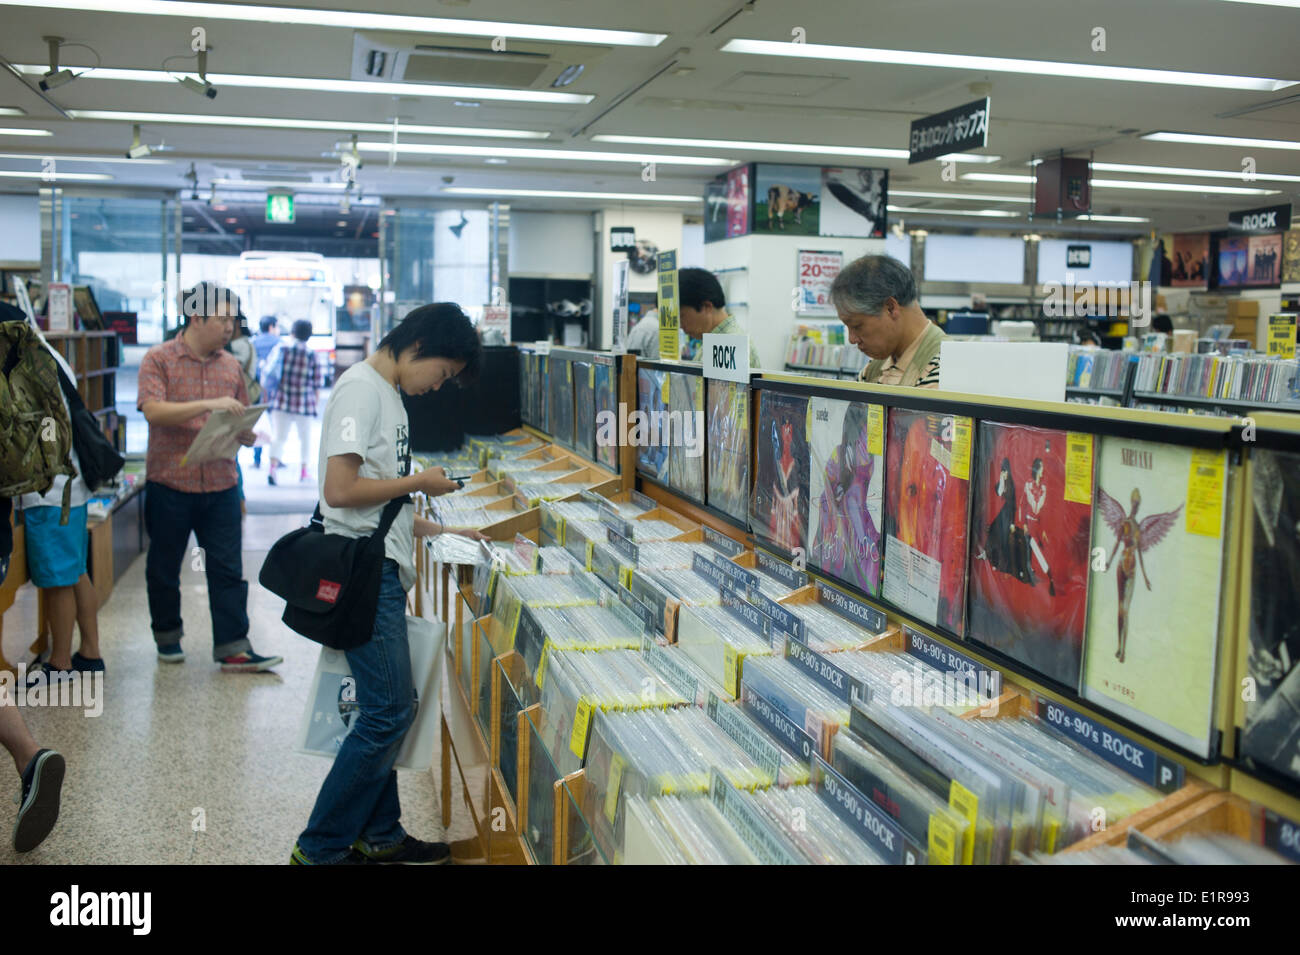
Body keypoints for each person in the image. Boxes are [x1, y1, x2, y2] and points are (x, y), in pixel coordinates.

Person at [292, 302, 483, 866]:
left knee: (388, 706)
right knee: (387, 712)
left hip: (380, 565)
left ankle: (380, 834)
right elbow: (341, 490)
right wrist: (418, 479)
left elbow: (384, 504)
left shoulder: (388, 394)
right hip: (362, 575)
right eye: (442, 374)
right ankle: (320, 847)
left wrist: (442, 526)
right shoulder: (361, 392)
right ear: (418, 347)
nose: (437, 387)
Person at [137, 282, 282, 673]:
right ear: (197, 317)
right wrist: (206, 404)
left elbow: (239, 416)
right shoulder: (159, 358)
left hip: (221, 483)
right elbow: (152, 411)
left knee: (227, 568)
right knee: (165, 567)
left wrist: (246, 433)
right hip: (170, 482)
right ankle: (167, 637)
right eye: (223, 319)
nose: (230, 327)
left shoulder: (231, 365)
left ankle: (234, 646)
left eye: (233, 319)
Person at [18, 329, 104, 684]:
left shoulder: (20, 368)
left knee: (57, 580)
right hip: (72, 486)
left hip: (49, 493)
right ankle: (90, 653)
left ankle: (60, 663)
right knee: (74, 572)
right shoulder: (51, 357)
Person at [830, 254, 945, 389]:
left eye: (857, 326)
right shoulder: (874, 368)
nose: (852, 339)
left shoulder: (944, 369)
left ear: (890, 308)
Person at [267, 320, 324, 486]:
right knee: (305, 439)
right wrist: (315, 404)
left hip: (281, 401)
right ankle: (304, 471)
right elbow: (317, 382)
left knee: (279, 437)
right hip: (304, 403)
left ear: (292, 332)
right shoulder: (312, 355)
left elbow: (270, 372)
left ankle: (272, 469)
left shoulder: (282, 349)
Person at [677, 268, 762, 370]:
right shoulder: (713, 341)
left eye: (682, 316)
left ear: (706, 307)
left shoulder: (732, 346)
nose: (680, 326)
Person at [250, 317, 281, 469]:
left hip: (256, 391)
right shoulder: (279, 343)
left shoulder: (253, 343)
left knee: (258, 424)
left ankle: (257, 459)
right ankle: (275, 460)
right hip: (275, 391)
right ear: (271, 327)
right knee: (276, 426)